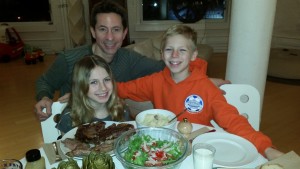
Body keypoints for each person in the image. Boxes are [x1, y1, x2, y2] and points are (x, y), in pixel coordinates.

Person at [34, 0, 229, 121]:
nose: (110, 37)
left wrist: (197, 80)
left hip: (113, 128)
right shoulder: (69, 59)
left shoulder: (130, 59)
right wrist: (43, 97)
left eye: (116, 30)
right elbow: (45, 82)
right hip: (75, 127)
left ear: (125, 33)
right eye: (103, 29)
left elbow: (171, 66)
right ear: (93, 31)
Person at [116, 24, 284, 160]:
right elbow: (123, 88)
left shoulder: (206, 88)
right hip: (165, 150)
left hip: (200, 151)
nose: (175, 55)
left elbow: (233, 120)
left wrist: (266, 148)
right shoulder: (154, 81)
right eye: (169, 49)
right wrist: (99, 86)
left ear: (194, 55)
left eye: (182, 50)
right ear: (162, 54)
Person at [56, 55, 127, 134]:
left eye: (106, 79)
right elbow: (64, 145)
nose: (103, 88)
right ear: (81, 86)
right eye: (94, 82)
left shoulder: (121, 109)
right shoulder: (70, 119)